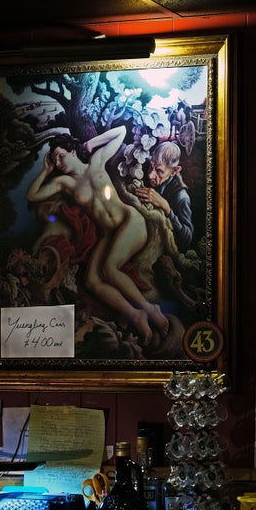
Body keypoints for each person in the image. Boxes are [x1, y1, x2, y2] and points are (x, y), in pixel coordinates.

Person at [25, 125, 170, 347]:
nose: (59, 163)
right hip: (109, 234)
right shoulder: (65, 183)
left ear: (72, 151)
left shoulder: (96, 161)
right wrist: (46, 170)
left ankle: (151, 310)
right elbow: (32, 195)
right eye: (54, 160)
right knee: (91, 280)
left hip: (129, 222)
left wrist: (91, 143)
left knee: (110, 269)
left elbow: (121, 131)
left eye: (61, 156)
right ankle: (135, 315)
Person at [134, 140, 194, 252]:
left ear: (174, 171)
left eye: (159, 171)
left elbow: (187, 238)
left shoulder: (181, 198)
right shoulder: (148, 162)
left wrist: (167, 209)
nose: (151, 175)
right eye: (151, 166)